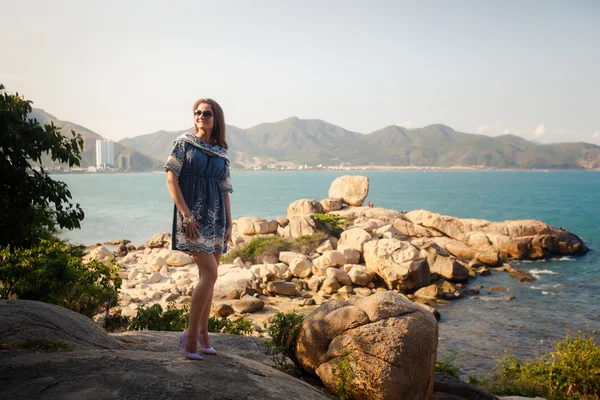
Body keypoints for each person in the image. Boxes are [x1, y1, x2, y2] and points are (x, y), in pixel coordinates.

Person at [165, 98, 233, 360]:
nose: (201, 116)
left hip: (216, 220)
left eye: (207, 113)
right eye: (197, 112)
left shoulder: (221, 152)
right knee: (210, 275)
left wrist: (229, 223)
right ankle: (190, 337)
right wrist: (186, 215)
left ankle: (204, 334)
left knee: (211, 279)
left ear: (216, 119)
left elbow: (225, 189)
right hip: (192, 219)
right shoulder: (183, 143)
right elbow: (171, 179)